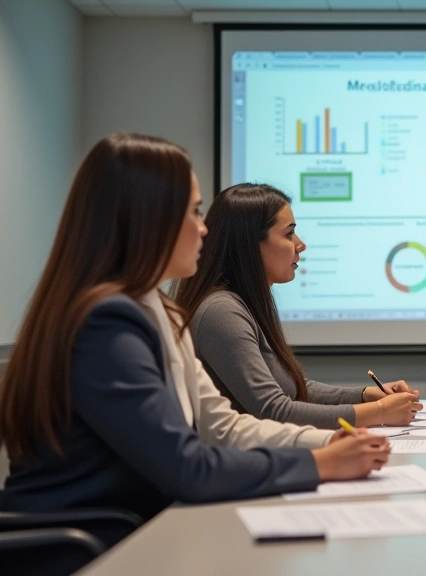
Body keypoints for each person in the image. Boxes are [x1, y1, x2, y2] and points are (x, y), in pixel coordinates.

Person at [0, 133, 390, 522]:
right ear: (146, 220)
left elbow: (222, 428)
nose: (204, 229)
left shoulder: (162, 313)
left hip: (134, 528)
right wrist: (319, 464)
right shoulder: (105, 325)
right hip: (85, 546)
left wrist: (325, 443)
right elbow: (187, 468)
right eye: (192, 212)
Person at [174, 183, 422, 429]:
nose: (300, 245)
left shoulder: (241, 303)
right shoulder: (221, 311)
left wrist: (366, 395)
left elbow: (292, 389)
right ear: (251, 243)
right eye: (289, 234)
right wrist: (378, 412)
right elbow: (274, 410)